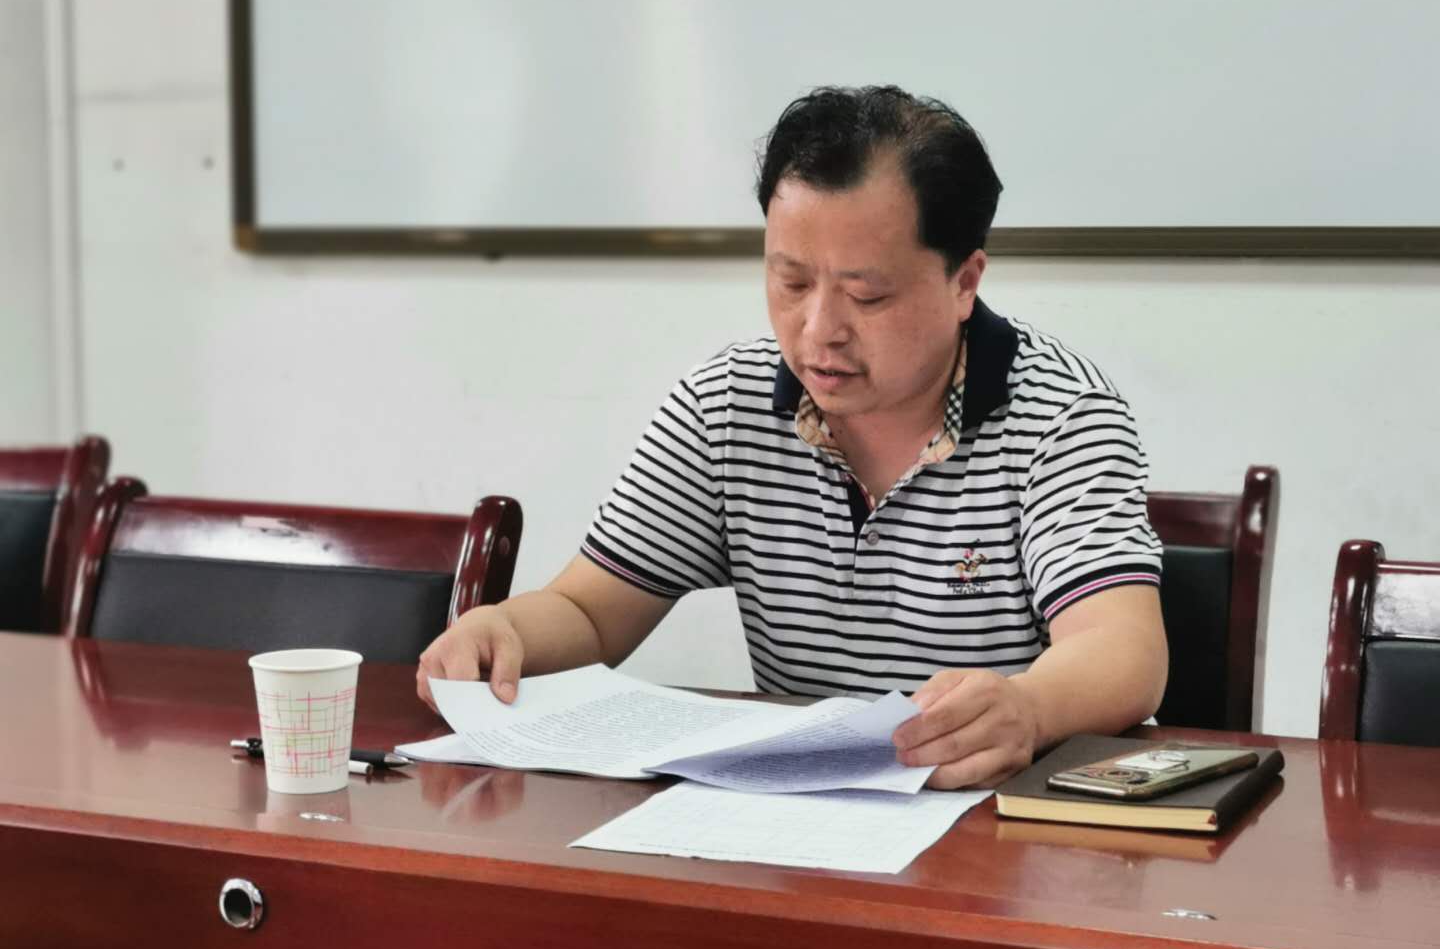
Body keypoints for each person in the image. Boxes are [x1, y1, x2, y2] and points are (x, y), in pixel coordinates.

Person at [419, 85, 1167, 789]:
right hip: (795, 816)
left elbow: (1122, 649)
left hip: (991, 822)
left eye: (867, 295)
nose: (819, 331)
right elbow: (590, 613)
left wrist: (1027, 708)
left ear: (965, 281)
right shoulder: (726, 404)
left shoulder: (1061, 414)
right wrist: (504, 631)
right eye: (792, 282)